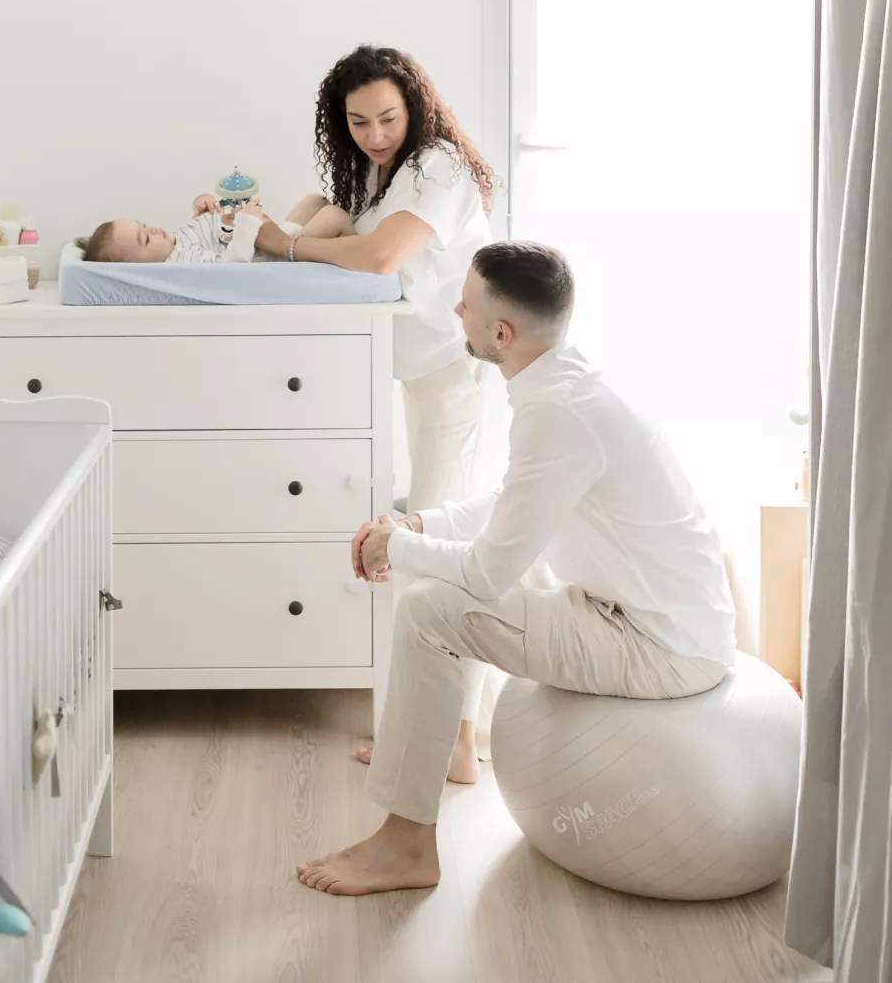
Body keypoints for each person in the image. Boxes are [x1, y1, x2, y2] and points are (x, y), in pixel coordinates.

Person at [296, 242, 737, 898]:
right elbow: (516, 501)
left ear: (499, 333)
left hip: (660, 648)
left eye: (466, 304)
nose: (456, 307)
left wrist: (395, 549)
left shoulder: (558, 412)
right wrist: (421, 524)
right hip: (655, 617)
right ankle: (455, 745)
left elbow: (484, 575)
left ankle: (405, 844)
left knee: (428, 610)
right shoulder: (569, 380)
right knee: (464, 575)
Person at [255, 45, 496, 514]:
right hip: (409, 360)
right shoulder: (373, 172)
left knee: (436, 521)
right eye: (359, 122)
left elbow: (382, 255)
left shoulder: (438, 165)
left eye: (388, 118)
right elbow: (344, 238)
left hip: (446, 359)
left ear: (414, 106)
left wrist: (284, 245)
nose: (375, 135)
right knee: (418, 519)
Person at [75, 191, 353, 265]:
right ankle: (359, 272)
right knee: (334, 215)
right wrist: (247, 223)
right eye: (144, 241)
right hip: (274, 253)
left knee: (314, 199)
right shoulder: (182, 262)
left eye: (144, 226)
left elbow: (211, 234)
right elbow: (231, 265)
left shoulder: (172, 241)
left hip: (265, 233)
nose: (153, 231)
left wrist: (207, 206)